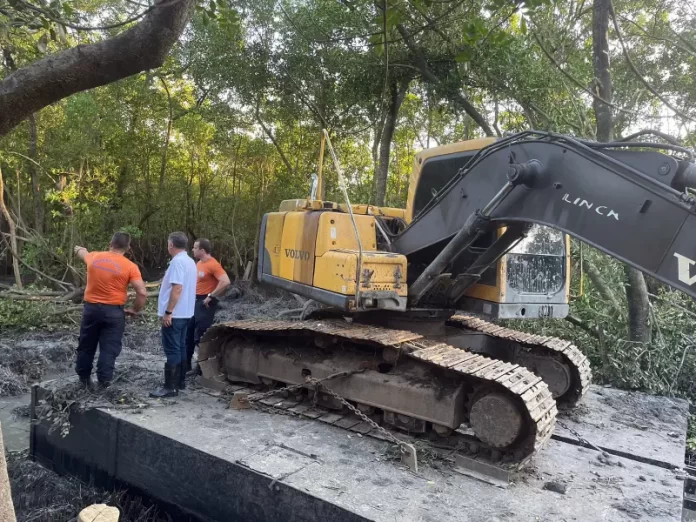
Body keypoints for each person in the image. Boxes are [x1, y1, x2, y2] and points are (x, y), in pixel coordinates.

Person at [74, 232, 147, 389]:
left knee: (86, 344)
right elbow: (141, 292)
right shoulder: (130, 266)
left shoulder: (94, 257)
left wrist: (78, 248)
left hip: (91, 310)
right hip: (114, 312)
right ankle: (104, 382)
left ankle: (84, 379)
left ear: (110, 243)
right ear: (128, 248)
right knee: (109, 347)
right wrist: (135, 309)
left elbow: (82, 253)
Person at [150, 231, 197, 398]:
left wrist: (168, 312)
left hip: (175, 314)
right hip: (186, 312)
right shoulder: (191, 262)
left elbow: (177, 288)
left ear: (171, 245)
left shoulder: (177, 263)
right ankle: (180, 381)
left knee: (173, 349)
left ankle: (170, 387)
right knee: (182, 347)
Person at [185, 238, 231, 381]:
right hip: (195, 301)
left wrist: (211, 296)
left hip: (205, 303)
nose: (192, 250)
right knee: (189, 335)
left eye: (194, 247)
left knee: (201, 336)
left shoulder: (213, 265)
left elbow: (225, 281)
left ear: (202, 250)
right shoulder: (199, 263)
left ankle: (201, 368)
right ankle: (186, 366)